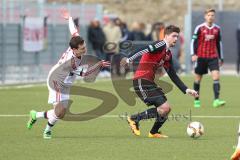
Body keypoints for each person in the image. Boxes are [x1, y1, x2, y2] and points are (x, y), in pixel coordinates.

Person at [26, 9, 110, 139]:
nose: (85, 49)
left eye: (85, 46)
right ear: (74, 49)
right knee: (59, 111)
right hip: (56, 81)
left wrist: (69, 18)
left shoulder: (76, 46)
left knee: (62, 113)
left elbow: (74, 31)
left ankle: (35, 115)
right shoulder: (71, 62)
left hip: (66, 82)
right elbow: (85, 74)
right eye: (82, 48)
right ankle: (47, 131)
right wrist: (98, 66)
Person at [120, 25, 198, 138]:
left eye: (177, 36)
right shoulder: (160, 44)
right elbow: (144, 48)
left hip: (149, 82)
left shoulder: (168, 54)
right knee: (164, 108)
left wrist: (186, 89)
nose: (176, 39)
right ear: (166, 36)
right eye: (173, 36)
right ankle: (134, 119)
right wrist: (128, 59)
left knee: (166, 109)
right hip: (141, 81)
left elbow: (172, 74)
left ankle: (153, 132)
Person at [191, 8, 225, 108]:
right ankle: (196, 101)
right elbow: (193, 42)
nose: (210, 17)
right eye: (209, 15)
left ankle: (216, 100)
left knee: (216, 77)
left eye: (212, 15)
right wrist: (193, 54)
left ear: (214, 17)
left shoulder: (217, 29)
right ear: (205, 16)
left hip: (213, 57)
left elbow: (219, 43)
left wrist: (221, 57)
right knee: (197, 79)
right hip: (201, 57)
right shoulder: (199, 28)